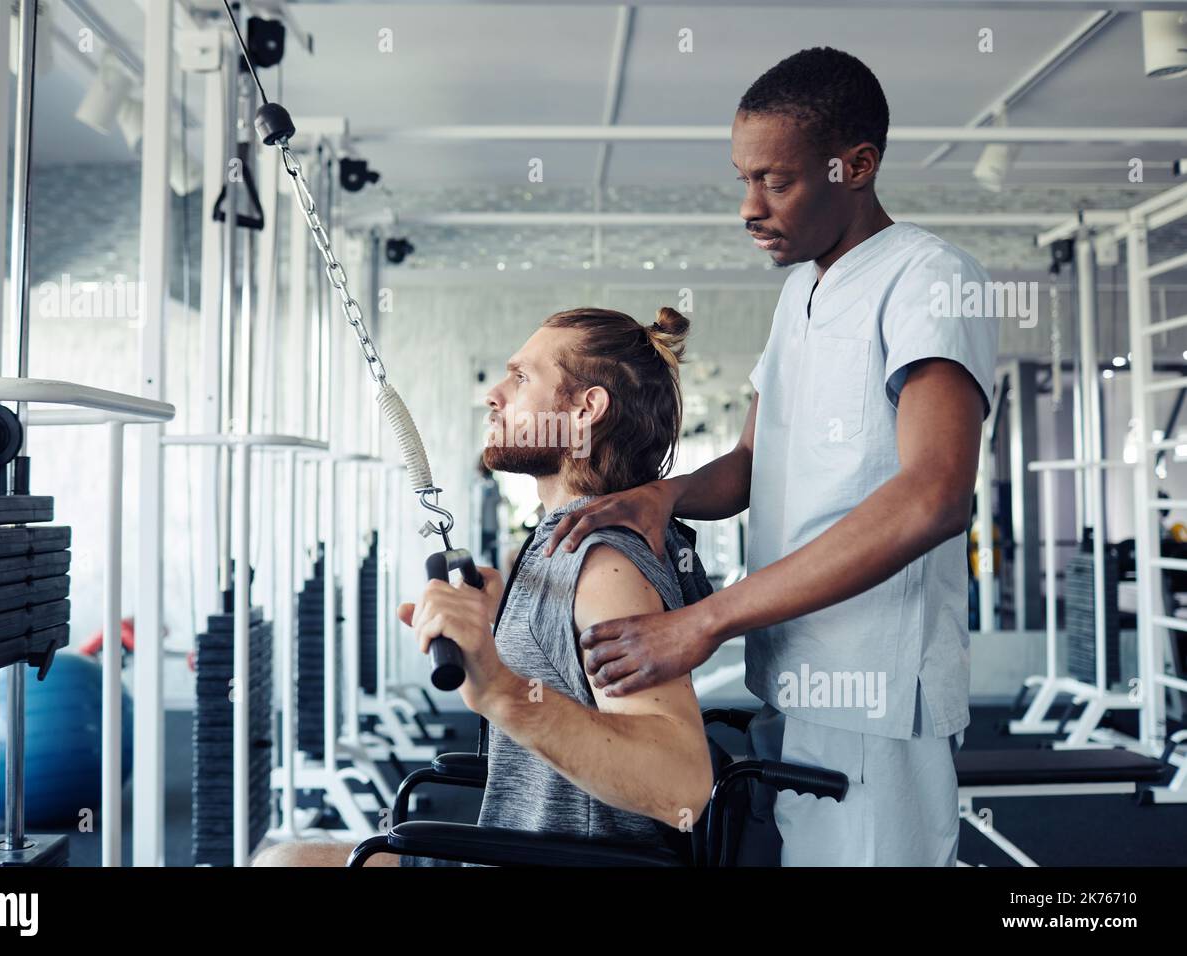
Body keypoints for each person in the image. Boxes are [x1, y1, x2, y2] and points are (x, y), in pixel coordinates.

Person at [545, 47, 1000, 866]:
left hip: (875, 690)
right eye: (743, 179)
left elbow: (935, 495)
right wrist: (665, 495)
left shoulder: (928, 278)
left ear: (855, 166)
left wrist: (703, 621)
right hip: (792, 673)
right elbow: (755, 460)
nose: (749, 208)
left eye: (776, 182)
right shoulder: (800, 293)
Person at [255, 305, 714, 867]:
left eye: (520, 378)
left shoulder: (604, 564)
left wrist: (500, 688)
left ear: (585, 409)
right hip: (515, 844)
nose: (494, 395)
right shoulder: (563, 538)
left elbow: (681, 785)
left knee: (283, 864)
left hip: (558, 861)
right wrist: (507, 623)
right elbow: (570, 669)